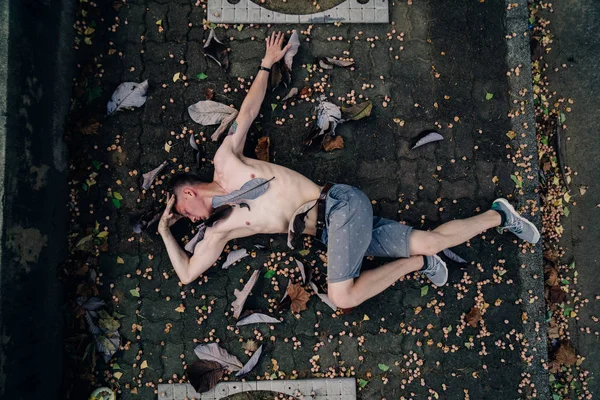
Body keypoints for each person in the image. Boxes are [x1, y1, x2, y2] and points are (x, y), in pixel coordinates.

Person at [157, 31, 540, 309]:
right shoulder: (219, 230)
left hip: (340, 206)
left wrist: (266, 65)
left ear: (187, 191)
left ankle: (415, 265)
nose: (189, 221)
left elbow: (248, 112)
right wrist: (164, 232)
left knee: (341, 296)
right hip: (334, 235)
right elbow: (188, 274)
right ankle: (499, 215)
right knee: (431, 241)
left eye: (181, 211)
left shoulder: (225, 161)